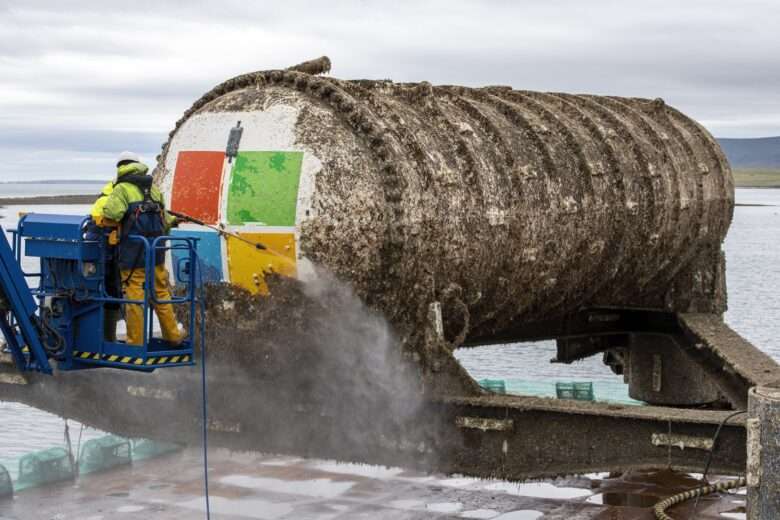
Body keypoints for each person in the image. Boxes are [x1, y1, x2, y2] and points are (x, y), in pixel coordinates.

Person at [101, 151, 183, 346]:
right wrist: (175, 220)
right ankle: (173, 336)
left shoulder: (122, 189)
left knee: (135, 297)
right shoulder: (153, 189)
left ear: (120, 167)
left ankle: (135, 342)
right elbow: (165, 219)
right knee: (161, 292)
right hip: (156, 252)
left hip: (133, 253)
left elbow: (112, 214)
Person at [86, 180, 121, 342]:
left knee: (101, 291)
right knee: (111, 291)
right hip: (105, 253)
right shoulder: (111, 202)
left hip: (98, 253)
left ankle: (102, 337)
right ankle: (108, 338)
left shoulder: (102, 200)